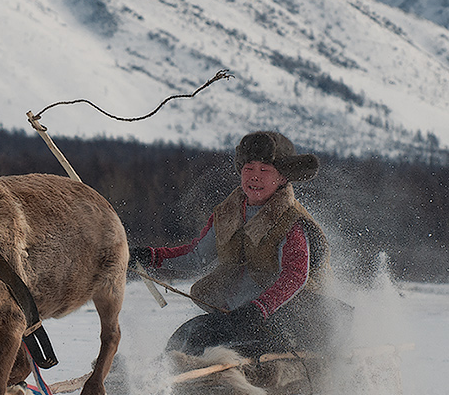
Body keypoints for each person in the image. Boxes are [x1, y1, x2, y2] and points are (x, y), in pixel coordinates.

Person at [133, 131, 348, 358]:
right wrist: (150, 256)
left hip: (291, 318)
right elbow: (197, 256)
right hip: (237, 315)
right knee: (187, 336)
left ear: (283, 177)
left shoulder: (291, 221)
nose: (255, 176)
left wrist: (259, 308)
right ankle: (151, 383)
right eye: (249, 169)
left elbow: (295, 275)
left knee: (236, 349)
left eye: (264, 170)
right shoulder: (227, 214)